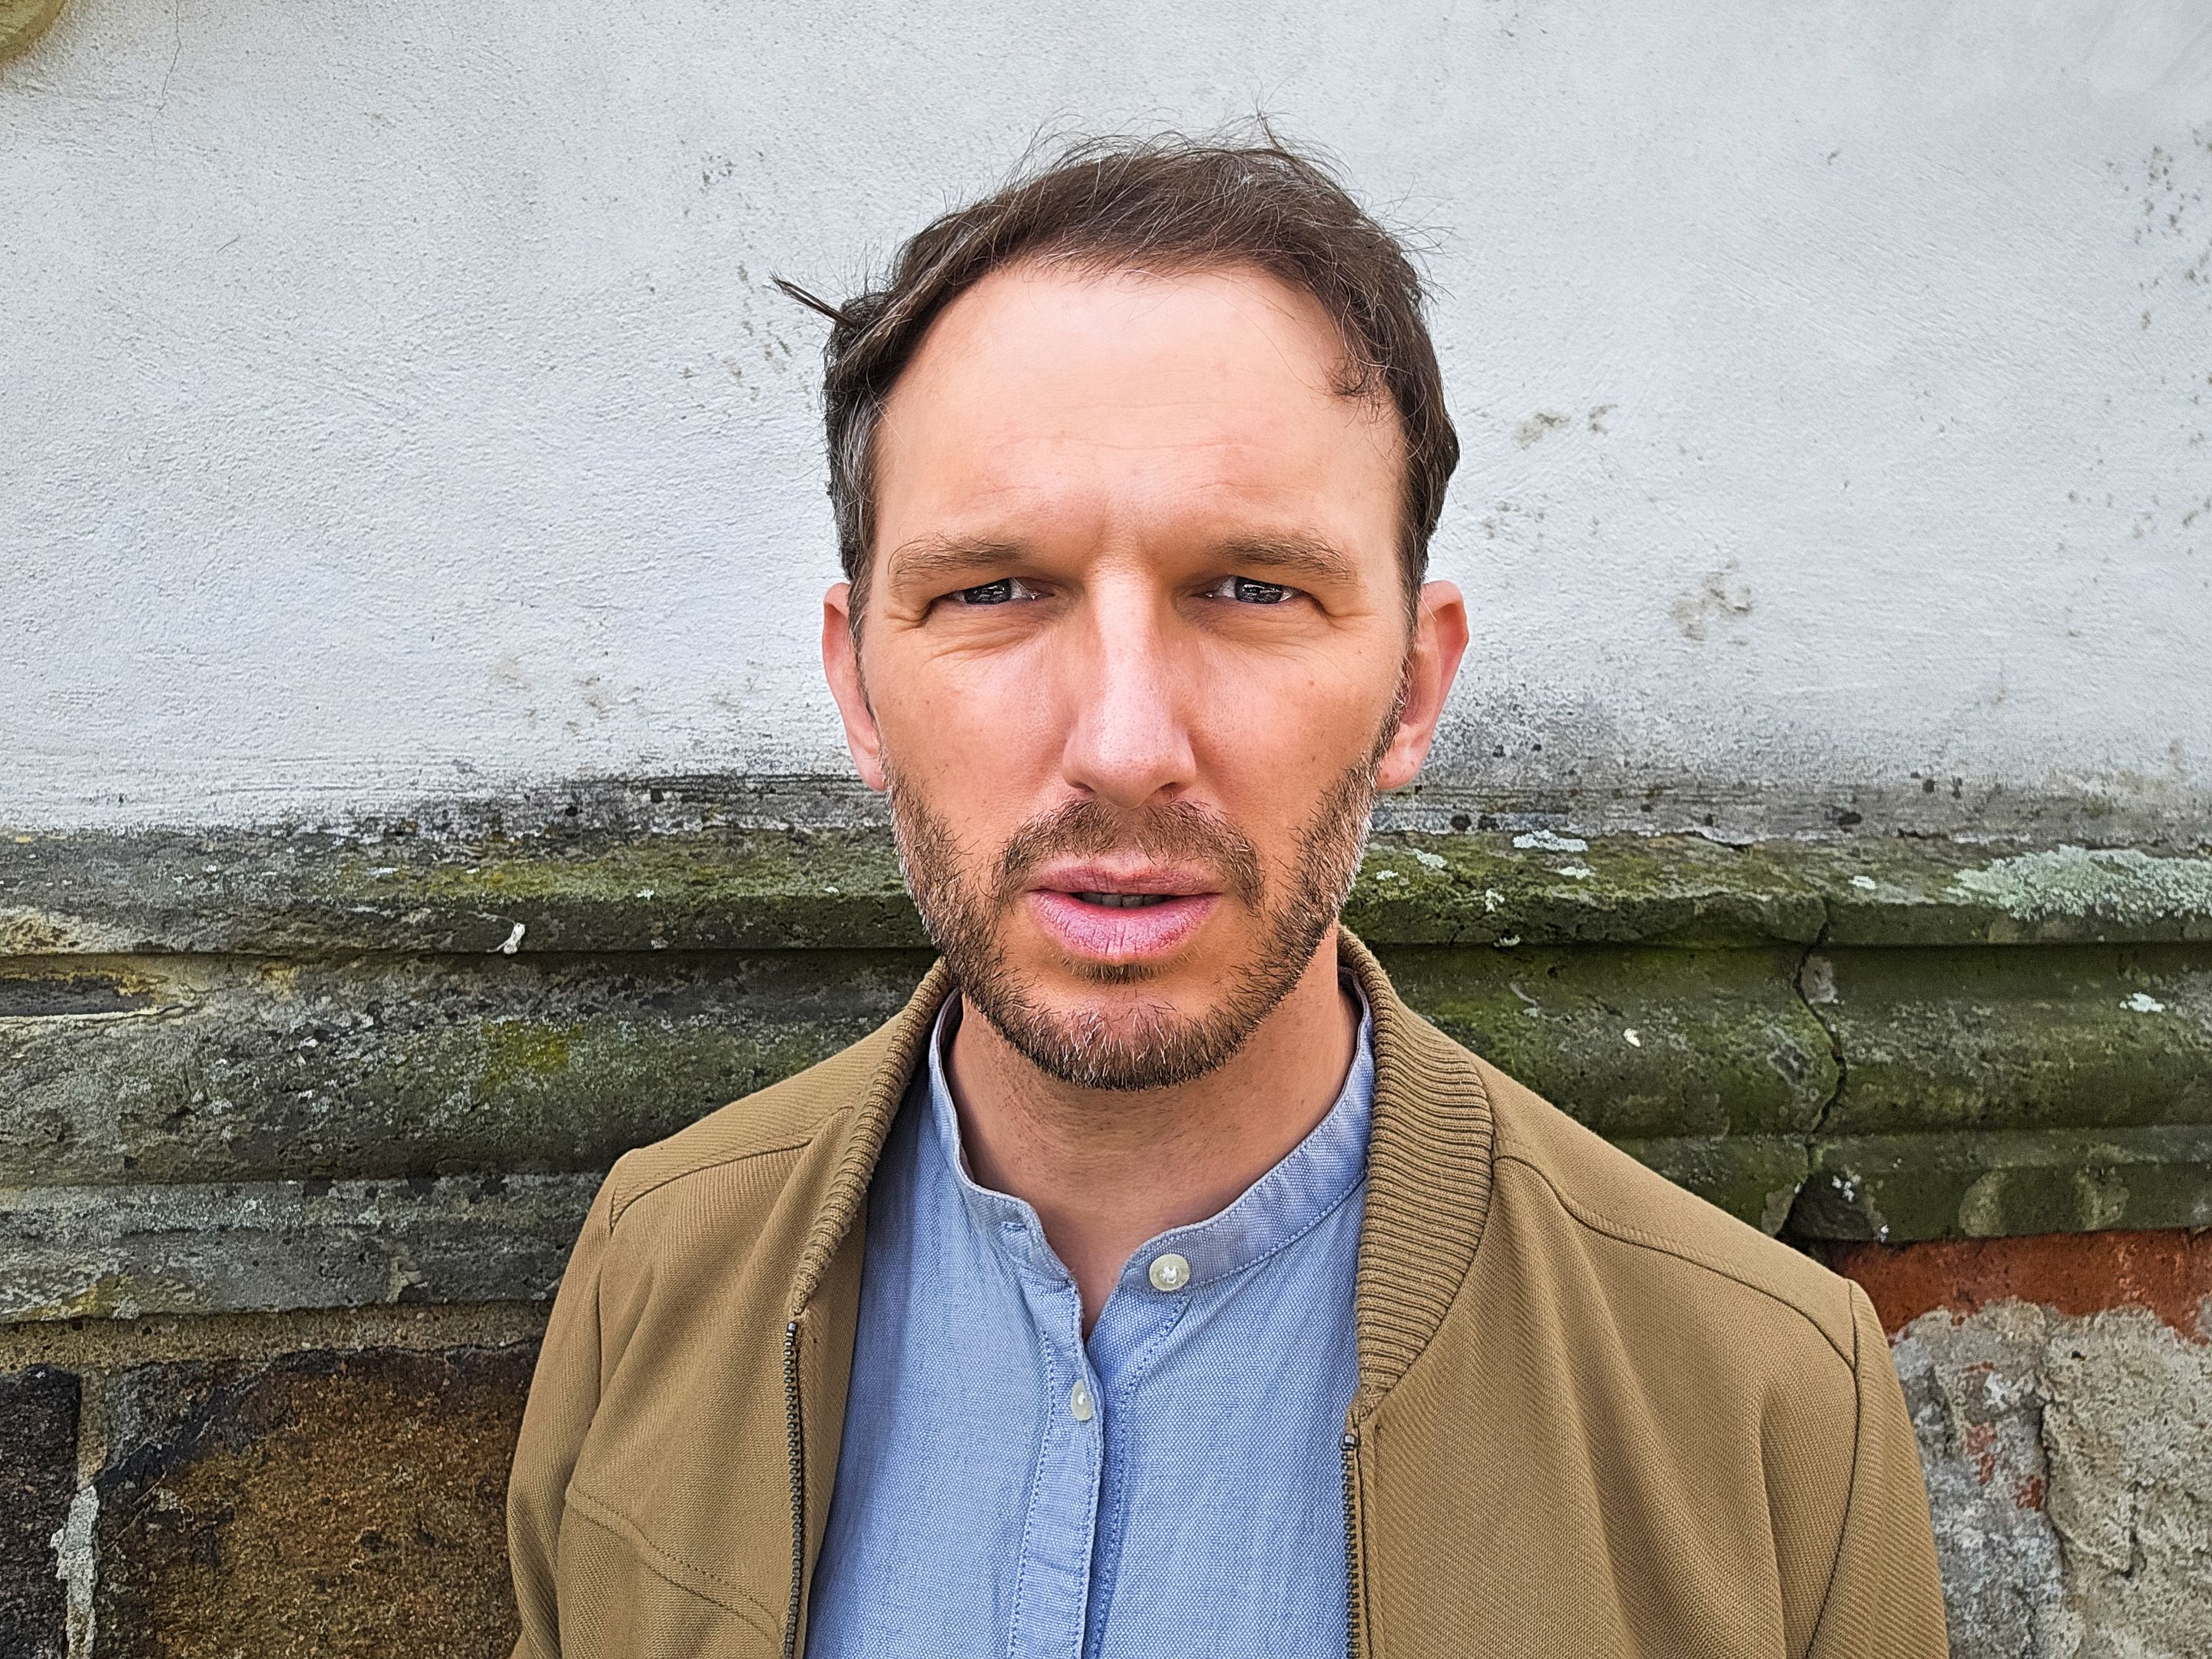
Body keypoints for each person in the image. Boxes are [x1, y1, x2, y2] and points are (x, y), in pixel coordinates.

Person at [505, 134, 1947, 1659]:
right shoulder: (655, 1267)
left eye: (1252, 591)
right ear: (859, 689)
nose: (1126, 746)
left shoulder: (1767, 1402)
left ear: (1413, 688)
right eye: (994, 591)